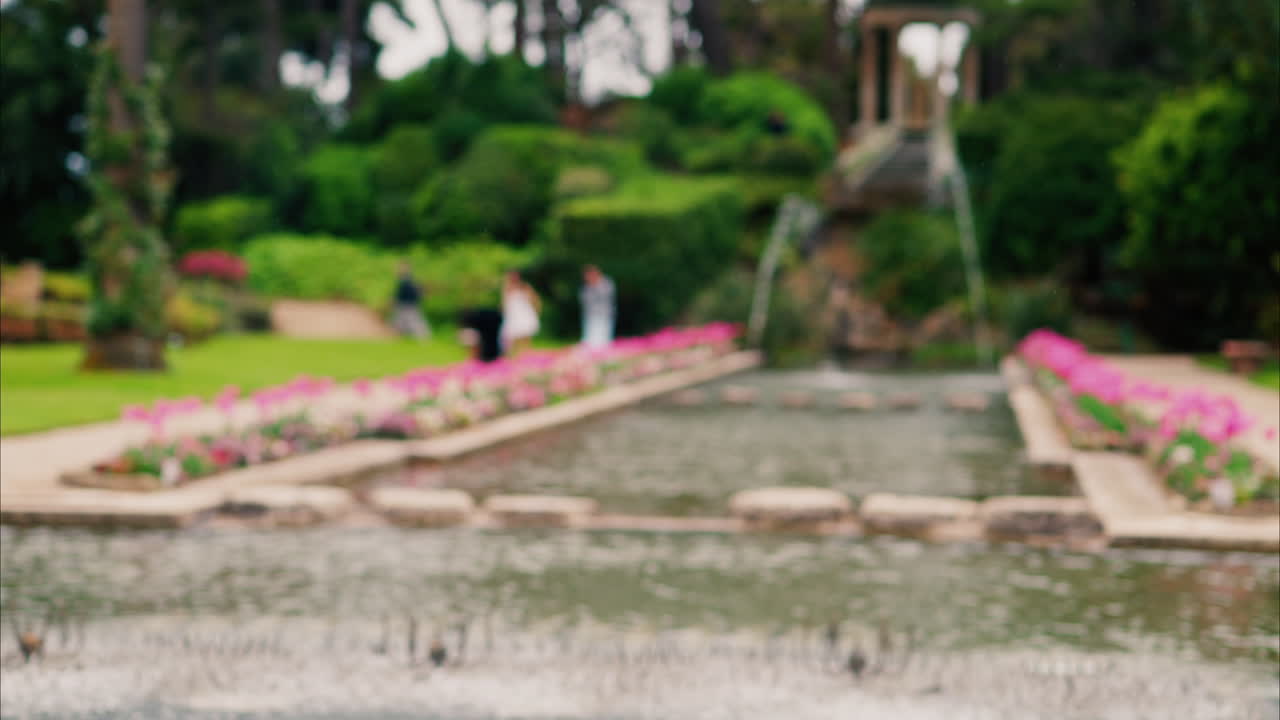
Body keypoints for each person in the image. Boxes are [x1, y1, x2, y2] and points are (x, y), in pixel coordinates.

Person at [499, 271, 540, 357]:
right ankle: (513, 355)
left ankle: (526, 354)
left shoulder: (525, 287)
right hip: (513, 315)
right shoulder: (507, 288)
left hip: (524, 313)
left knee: (525, 335)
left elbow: (534, 298)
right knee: (511, 336)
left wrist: (536, 309)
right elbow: (504, 302)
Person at [579, 264, 615, 349]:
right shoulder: (586, 287)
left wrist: (594, 285)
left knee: (603, 339)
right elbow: (584, 300)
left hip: (604, 315)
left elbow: (606, 296)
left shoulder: (606, 283)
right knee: (590, 338)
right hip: (590, 315)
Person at [391, 260, 429, 339]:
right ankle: (397, 339)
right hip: (404, 305)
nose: (398, 270)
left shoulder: (407, 281)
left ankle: (424, 338)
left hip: (408, 305)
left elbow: (412, 293)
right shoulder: (404, 280)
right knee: (399, 323)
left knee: (415, 323)